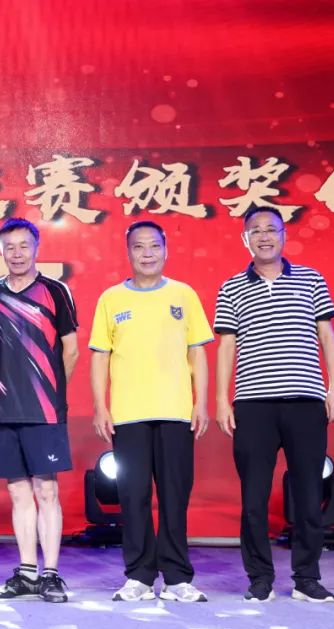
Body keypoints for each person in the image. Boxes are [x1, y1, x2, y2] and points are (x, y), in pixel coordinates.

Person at [214, 206, 334, 603]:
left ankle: (307, 578)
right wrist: (221, 399)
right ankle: (260, 578)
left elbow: (326, 335)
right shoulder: (231, 287)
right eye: (255, 230)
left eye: (271, 229)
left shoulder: (311, 279)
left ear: (284, 235)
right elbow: (226, 347)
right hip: (254, 404)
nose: (264, 236)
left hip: (305, 400)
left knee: (308, 495)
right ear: (245, 239)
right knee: (253, 497)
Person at [89, 220, 212, 602]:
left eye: (154, 246)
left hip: (176, 412)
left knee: (175, 496)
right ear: (128, 253)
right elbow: (100, 356)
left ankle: (176, 578)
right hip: (128, 415)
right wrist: (100, 406)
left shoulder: (183, 295)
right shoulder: (111, 299)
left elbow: (197, 352)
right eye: (139, 247)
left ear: (165, 250)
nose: (147, 253)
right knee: (133, 497)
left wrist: (201, 402)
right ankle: (139, 576)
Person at [0, 218, 79, 603]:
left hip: (44, 410)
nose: (17, 253)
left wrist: (50, 390)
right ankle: (27, 572)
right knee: (18, 492)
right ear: (0, 250)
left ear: (36, 248)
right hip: (4, 409)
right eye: (10, 247)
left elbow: (70, 350)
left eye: (24, 246)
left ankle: (51, 574)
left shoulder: (55, 291)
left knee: (46, 490)